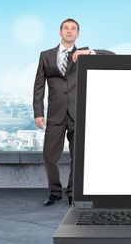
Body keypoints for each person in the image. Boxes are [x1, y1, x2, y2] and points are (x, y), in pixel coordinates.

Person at [33, 18, 114, 206]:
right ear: (60, 32)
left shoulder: (84, 53)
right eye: (66, 28)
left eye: (73, 29)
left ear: (77, 33)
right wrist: (38, 112)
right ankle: (54, 192)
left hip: (78, 113)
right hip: (55, 113)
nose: (69, 31)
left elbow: (111, 54)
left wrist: (89, 52)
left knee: (78, 157)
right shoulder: (46, 55)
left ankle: (72, 193)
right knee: (49, 156)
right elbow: (38, 86)